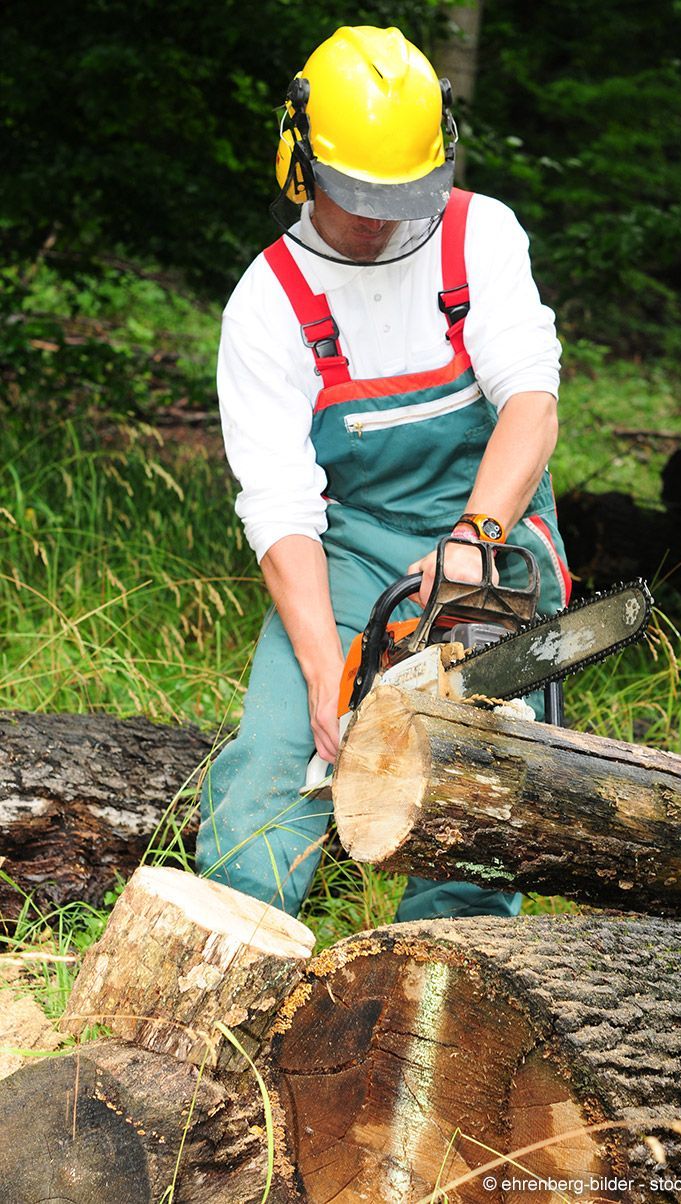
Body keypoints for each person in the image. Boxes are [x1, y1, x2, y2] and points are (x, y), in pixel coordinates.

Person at [196, 25, 571, 921]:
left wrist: (477, 540)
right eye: (358, 193)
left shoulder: (478, 237)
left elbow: (532, 402)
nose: (380, 216)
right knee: (272, 767)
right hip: (352, 551)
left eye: (402, 193)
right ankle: (224, 973)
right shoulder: (269, 302)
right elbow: (281, 508)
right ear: (300, 164)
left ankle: (445, 999)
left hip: (493, 535)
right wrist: (329, 674)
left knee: (479, 793)